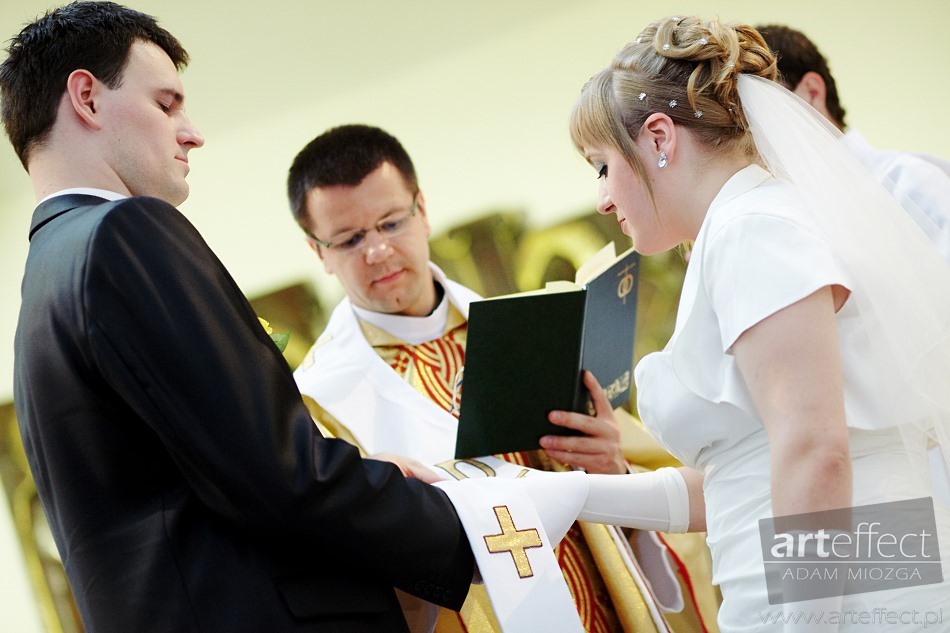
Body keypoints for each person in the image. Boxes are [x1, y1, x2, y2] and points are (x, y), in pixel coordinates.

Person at [1, 3, 478, 631]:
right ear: (86, 97)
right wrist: (468, 527)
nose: (192, 132)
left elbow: (204, 467)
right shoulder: (125, 231)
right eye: (167, 105)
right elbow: (277, 471)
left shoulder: (45, 281)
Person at [567, 15, 950, 632]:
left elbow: (817, 451)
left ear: (660, 137)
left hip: (846, 600)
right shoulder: (744, 228)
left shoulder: (753, 230)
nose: (603, 200)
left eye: (601, 166)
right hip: (838, 579)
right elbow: (732, 481)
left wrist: (806, 626)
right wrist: (564, 496)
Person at [288, 124, 720, 632]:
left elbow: (663, 493)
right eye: (350, 238)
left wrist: (612, 467)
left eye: (390, 223)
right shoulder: (317, 406)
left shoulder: (533, 328)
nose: (377, 251)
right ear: (318, 252)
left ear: (422, 210)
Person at [755, 23, 950, 264]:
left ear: (813, 92)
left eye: (762, 110)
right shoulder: (780, 210)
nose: (753, 134)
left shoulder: (910, 180)